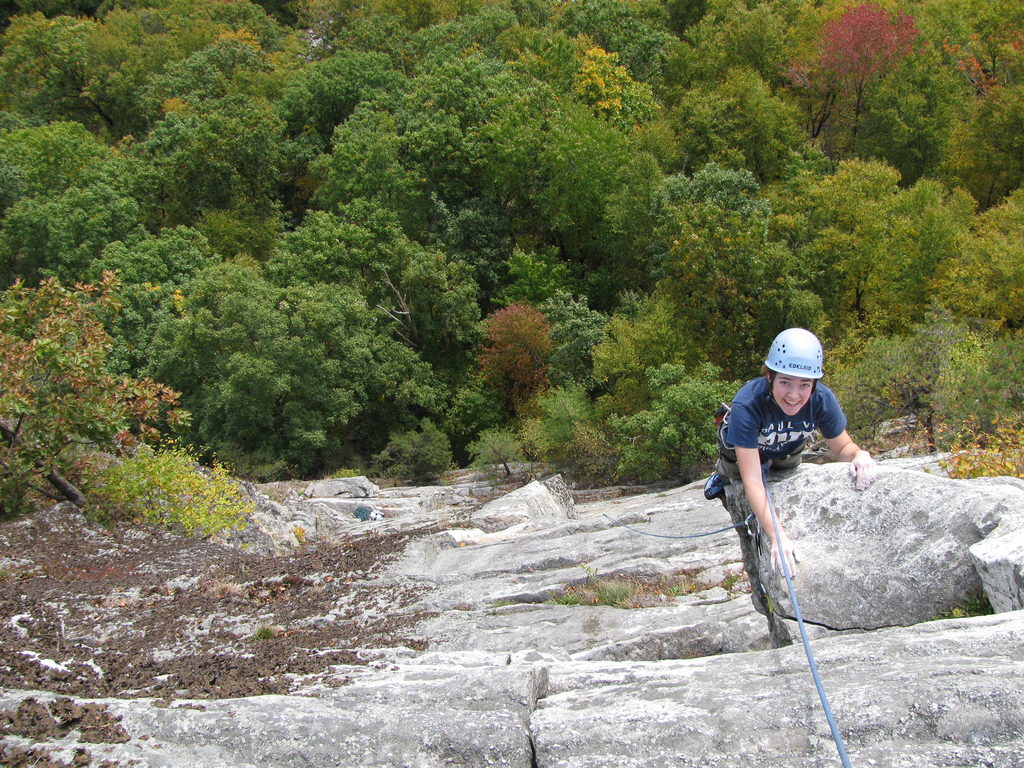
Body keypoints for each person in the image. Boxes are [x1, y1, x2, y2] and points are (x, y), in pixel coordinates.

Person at [703, 328, 878, 577]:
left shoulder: (821, 400)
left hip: (786, 451)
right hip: (746, 452)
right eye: (785, 382)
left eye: (804, 385)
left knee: (786, 466)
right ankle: (722, 475)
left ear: (814, 384)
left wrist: (860, 454)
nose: (794, 395)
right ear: (770, 377)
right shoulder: (748, 404)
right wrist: (778, 537)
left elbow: (843, 447)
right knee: (737, 473)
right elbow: (753, 481)